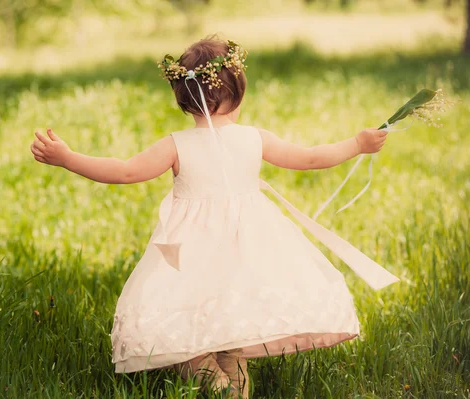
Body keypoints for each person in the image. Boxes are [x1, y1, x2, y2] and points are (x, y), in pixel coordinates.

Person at [30, 35, 400, 398]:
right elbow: (309, 158)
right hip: (244, 247)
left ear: (184, 99)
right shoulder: (254, 137)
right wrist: (357, 144)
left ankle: (207, 372)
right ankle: (228, 383)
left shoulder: (176, 144)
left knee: (189, 310)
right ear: (237, 94)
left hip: (193, 251)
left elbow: (125, 171)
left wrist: (68, 158)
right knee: (232, 330)